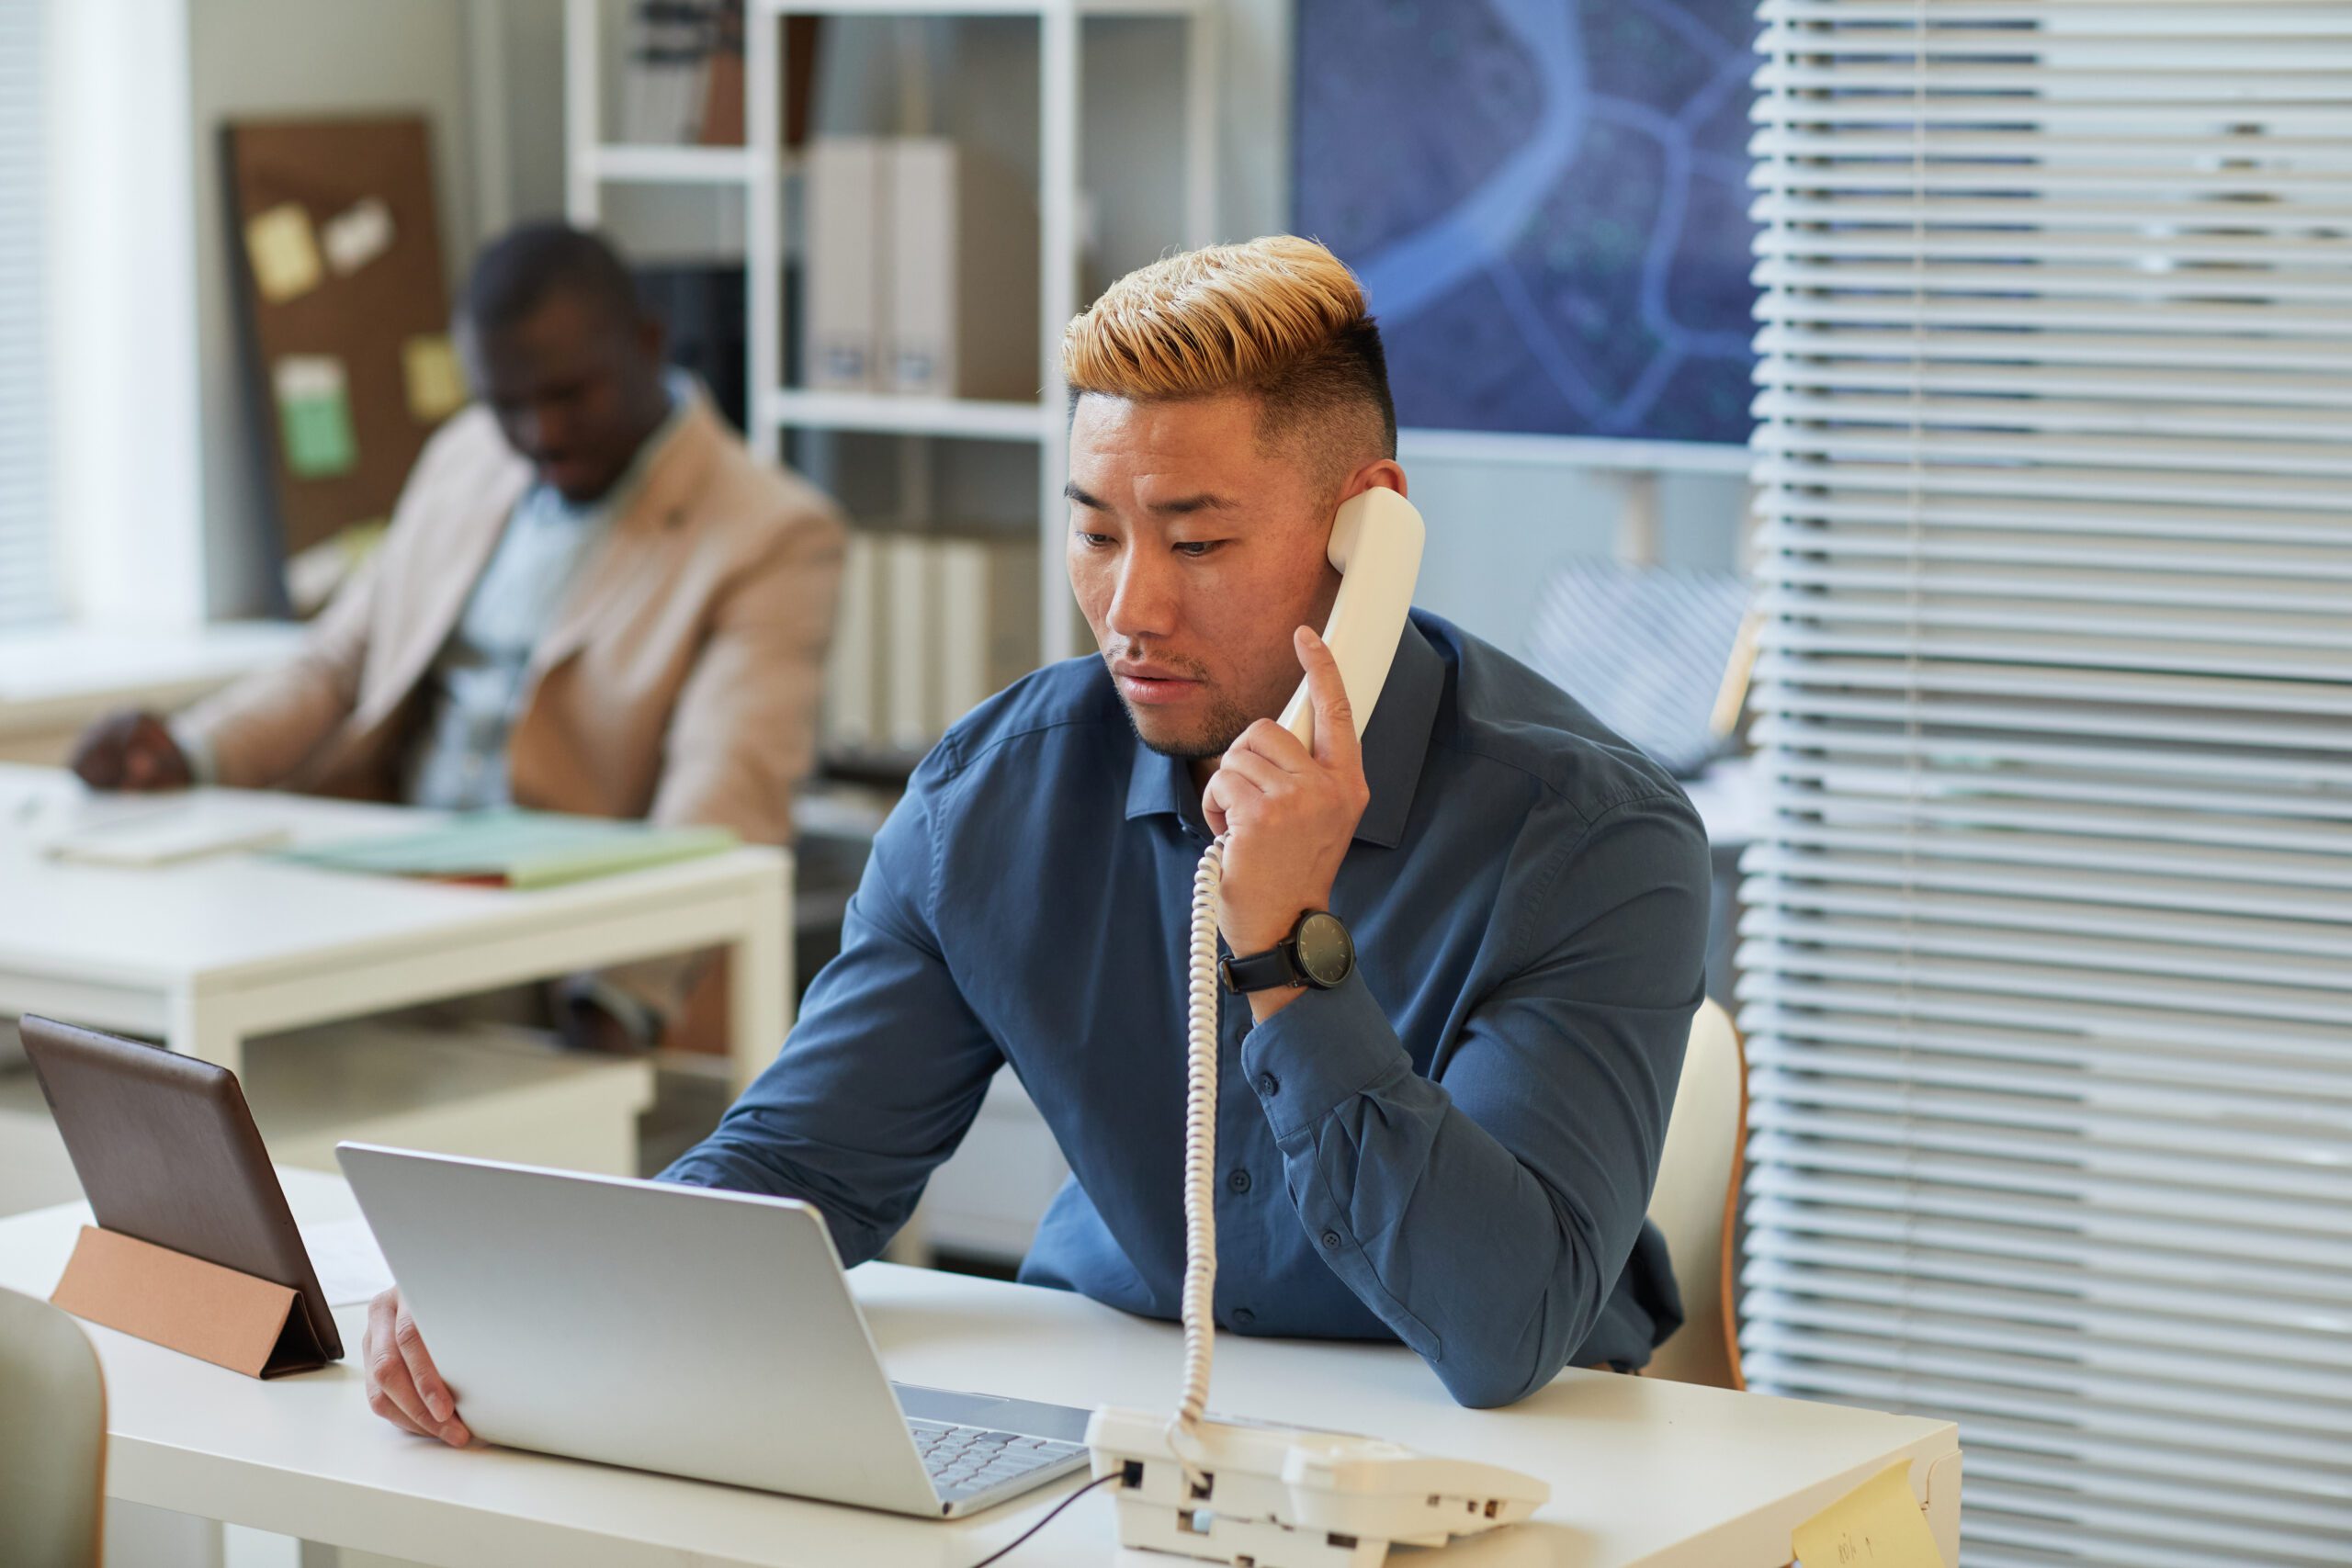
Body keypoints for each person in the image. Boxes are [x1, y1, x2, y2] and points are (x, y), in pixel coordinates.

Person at [362, 234, 1710, 1446]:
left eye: (1198, 539)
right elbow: (799, 1167)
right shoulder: (998, 796)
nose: (1130, 607)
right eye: (1094, 528)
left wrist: (1291, 957)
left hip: (1497, 1472)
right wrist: (525, 1297)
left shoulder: (1595, 840)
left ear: (1369, 530)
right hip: (1115, 1430)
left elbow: (1500, 1329)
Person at [71, 223, 845, 1047]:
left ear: (648, 344)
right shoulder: (467, 460)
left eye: (570, 395)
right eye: (508, 405)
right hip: (384, 901)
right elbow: (337, 666)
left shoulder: (771, 532)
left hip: (562, 958)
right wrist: (187, 752)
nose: (540, 434)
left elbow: (726, 787)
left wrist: (623, 990)